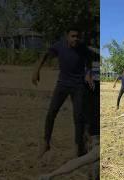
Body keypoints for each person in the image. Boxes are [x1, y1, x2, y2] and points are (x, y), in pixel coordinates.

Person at [32, 27, 94, 158]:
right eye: (73, 36)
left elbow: (89, 61)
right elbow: (45, 55)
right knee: (51, 113)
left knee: (78, 117)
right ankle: (46, 143)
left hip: (78, 86)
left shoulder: (82, 48)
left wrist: (88, 74)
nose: (75, 39)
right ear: (67, 36)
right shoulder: (59, 46)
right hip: (62, 84)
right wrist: (36, 70)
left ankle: (78, 147)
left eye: (77, 36)